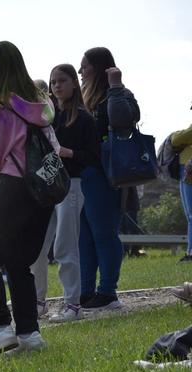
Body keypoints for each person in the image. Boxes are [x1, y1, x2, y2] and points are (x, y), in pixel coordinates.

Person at [0, 41, 57, 359]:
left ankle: (0, 329)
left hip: (12, 188)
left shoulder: (2, 110)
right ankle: (29, 335)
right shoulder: (41, 107)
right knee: (20, 263)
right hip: (41, 192)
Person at [29, 64, 98, 323]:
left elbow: (93, 156)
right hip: (47, 185)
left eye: (62, 81)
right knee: (37, 246)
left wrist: (68, 153)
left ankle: (73, 305)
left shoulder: (84, 118)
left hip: (72, 184)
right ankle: (37, 301)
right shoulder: (46, 117)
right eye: (53, 82)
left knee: (65, 246)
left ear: (73, 84)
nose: (57, 86)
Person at [78, 47, 140, 310]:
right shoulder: (83, 99)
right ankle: (86, 291)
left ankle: (108, 292)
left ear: (100, 68)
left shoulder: (119, 94)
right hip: (84, 174)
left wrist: (115, 87)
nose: (80, 71)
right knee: (84, 237)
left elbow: (125, 120)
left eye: (85, 66)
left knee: (104, 234)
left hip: (107, 174)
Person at [171, 105, 192, 262]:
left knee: (191, 215)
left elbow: (175, 139)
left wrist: (177, 137)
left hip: (188, 171)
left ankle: (191, 253)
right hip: (186, 170)